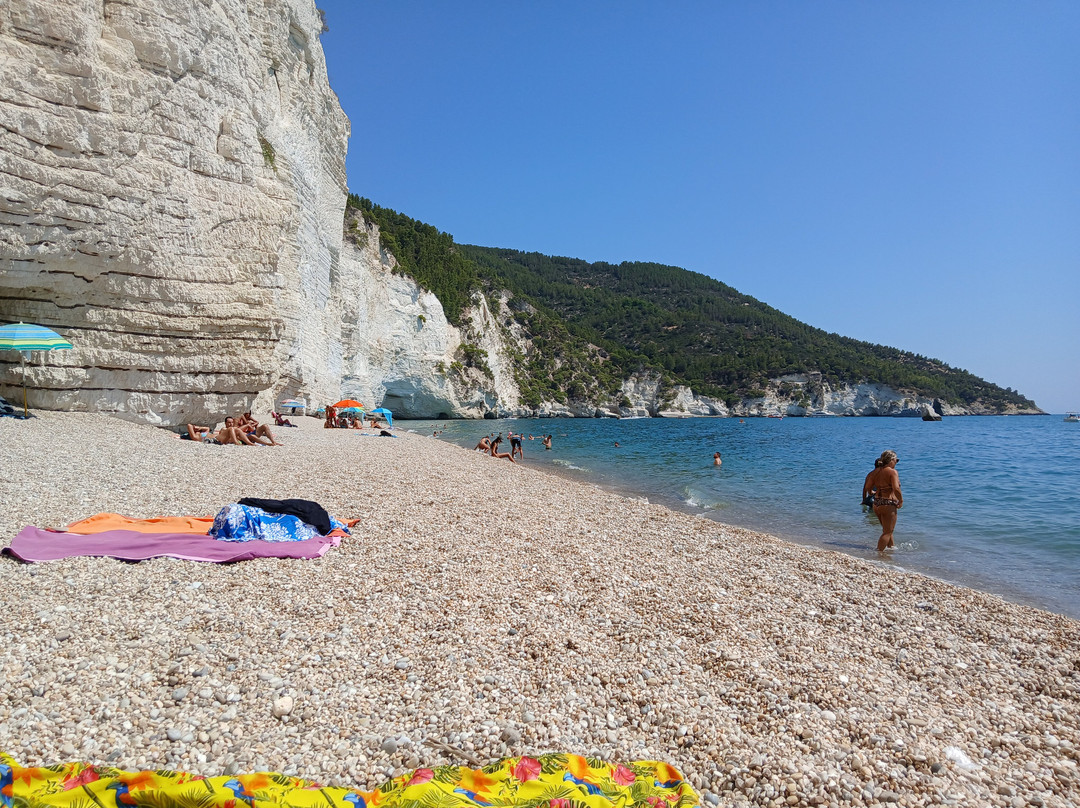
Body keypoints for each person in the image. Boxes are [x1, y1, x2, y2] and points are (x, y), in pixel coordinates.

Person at [866, 450, 902, 551]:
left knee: (886, 529)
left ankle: (891, 548)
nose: (896, 463)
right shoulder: (892, 472)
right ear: (891, 460)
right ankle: (879, 553)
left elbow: (868, 487)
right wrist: (901, 500)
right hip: (888, 503)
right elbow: (896, 488)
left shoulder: (875, 472)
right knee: (888, 531)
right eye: (896, 460)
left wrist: (871, 492)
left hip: (876, 503)